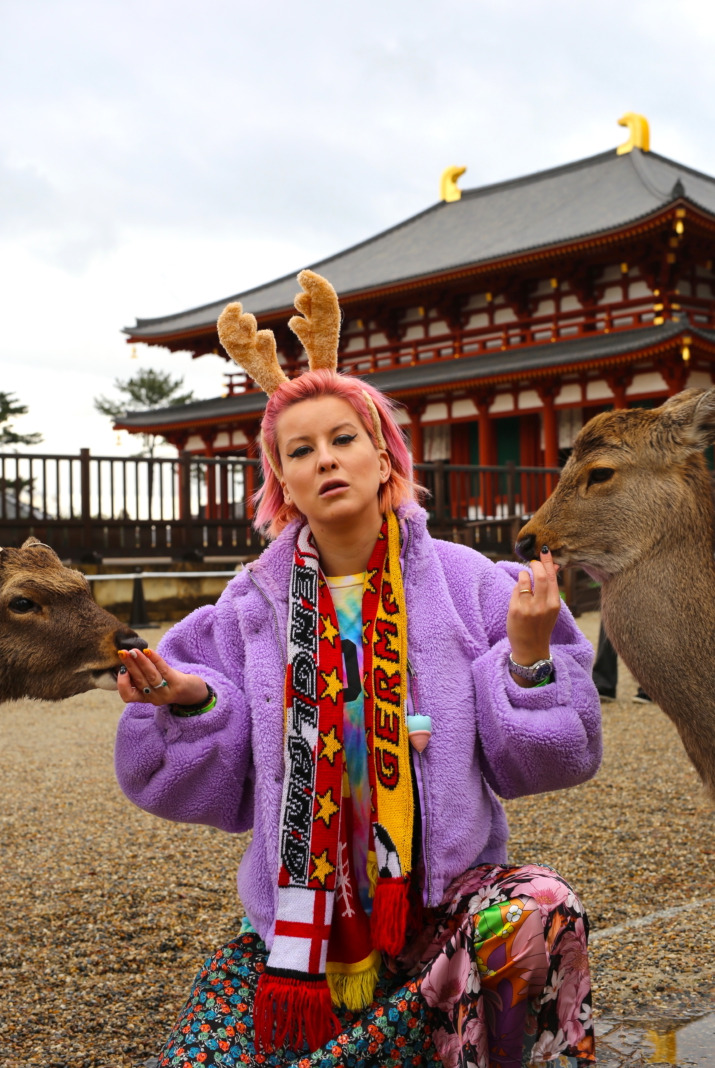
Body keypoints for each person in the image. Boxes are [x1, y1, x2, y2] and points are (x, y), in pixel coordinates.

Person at [114, 271, 603, 1068]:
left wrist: (527, 652)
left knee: (541, 910)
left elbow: (556, 757)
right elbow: (183, 778)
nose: (326, 460)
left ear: (385, 458)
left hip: (441, 903)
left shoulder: (470, 583)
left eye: (344, 438)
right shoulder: (247, 608)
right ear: (283, 484)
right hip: (305, 933)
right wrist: (195, 702)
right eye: (300, 450)